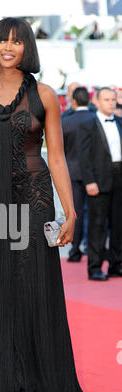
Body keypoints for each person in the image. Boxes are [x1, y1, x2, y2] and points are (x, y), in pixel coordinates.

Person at [0, 17, 90, 392]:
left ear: (27, 48)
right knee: (2, 294)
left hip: (35, 203)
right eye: (1, 39)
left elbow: (55, 157)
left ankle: (45, 386)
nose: (7, 46)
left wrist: (69, 211)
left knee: (37, 291)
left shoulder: (45, 95)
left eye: (17, 42)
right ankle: (16, 390)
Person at [79, 87, 122, 280]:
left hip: (119, 177)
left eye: (113, 99)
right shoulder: (88, 124)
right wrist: (89, 181)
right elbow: (83, 156)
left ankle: (116, 264)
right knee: (97, 226)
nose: (111, 103)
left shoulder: (120, 122)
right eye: (106, 100)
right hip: (98, 180)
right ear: (97, 101)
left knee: (118, 225)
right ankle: (95, 267)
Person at [61, 87, 92, 262]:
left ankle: (75, 250)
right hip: (94, 173)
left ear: (74, 101)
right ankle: (92, 247)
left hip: (72, 171)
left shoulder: (66, 122)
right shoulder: (95, 119)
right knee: (95, 213)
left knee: (76, 211)